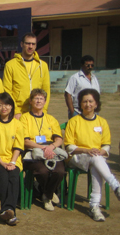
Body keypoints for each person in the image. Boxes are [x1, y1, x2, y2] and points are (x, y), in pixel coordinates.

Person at [64, 89, 120, 221]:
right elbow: (69, 146)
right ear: (81, 104)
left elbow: (106, 144)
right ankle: (115, 185)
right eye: (84, 101)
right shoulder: (74, 121)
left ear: (96, 104)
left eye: (90, 101)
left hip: (95, 158)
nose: (88, 104)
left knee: (95, 162)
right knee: (95, 158)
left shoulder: (102, 122)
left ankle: (94, 206)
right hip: (77, 157)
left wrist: (100, 151)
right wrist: (85, 150)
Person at [20, 89, 66, 211]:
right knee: (42, 171)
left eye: (41, 98)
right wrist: (42, 148)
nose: (39, 101)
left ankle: (47, 194)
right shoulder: (24, 118)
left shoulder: (51, 119)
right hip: (33, 151)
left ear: (45, 102)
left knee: (60, 171)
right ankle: (49, 195)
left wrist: (50, 147)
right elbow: (25, 141)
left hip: (50, 150)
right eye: (36, 98)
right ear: (30, 101)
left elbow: (59, 139)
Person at [0, 93, 24, 225]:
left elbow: (18, 146)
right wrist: (2, 162)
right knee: (2, 174)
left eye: (7, 104)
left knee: (13, 175)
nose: (4, 108)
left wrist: (12, 162)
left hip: (13, 159)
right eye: (0, 104)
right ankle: (8, 211)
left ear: (12, 107)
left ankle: (8, 210)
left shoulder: (18, 124)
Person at [3, 32, 50, 119]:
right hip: (19, 112)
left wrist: (44, 109)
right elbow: (7, 90)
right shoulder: (10, 65)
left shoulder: (42, 65)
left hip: (37, 110)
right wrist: (15, 111)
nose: (30, 46)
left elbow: (46, 89)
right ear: (22, 44)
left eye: (33, 44)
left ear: (36, 46)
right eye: (28, 43)